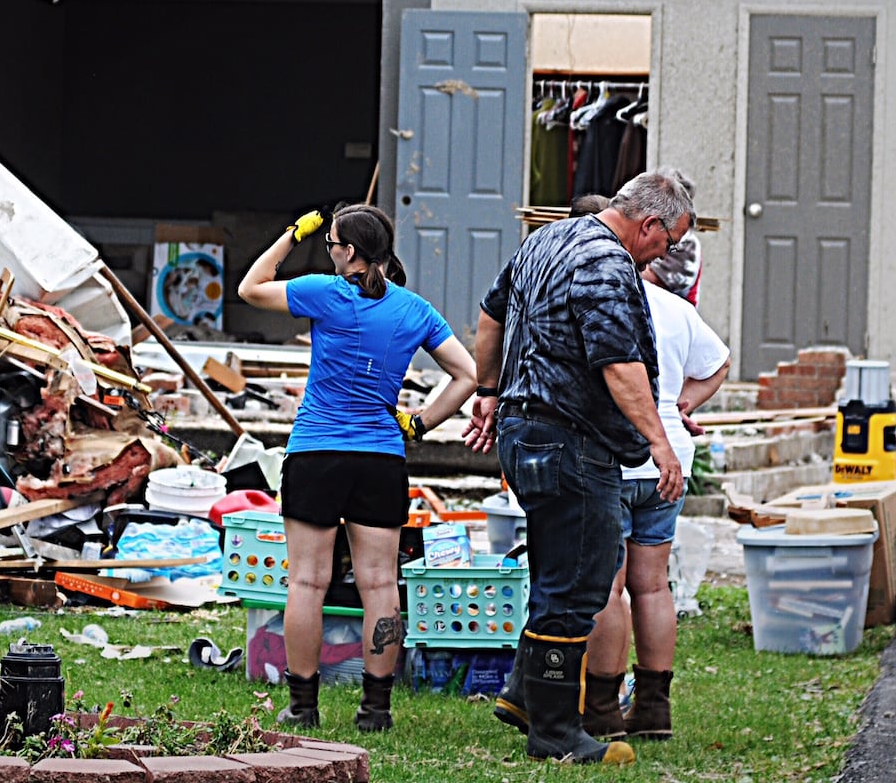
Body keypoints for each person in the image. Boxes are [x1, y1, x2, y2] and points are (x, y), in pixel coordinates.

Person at [466, 168, 692, 765]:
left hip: (525, 431)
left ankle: (524, 695)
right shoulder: (607, 262)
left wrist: (488, 390)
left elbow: (490, 317)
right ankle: (558, 731)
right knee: (584, 580)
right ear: (648, 225)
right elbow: (619, 364)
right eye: (667, 244)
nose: (662, 258)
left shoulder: (546, 239)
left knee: (556, 568)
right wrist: (660, 444)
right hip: (571, 438)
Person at [237, 203, 477, 732]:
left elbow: (251, 288)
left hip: (316, 453)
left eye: (331, 245)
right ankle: (376, 709)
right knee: (379, 585)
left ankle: (302, 707)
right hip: (379, 458)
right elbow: (467, 375)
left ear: (348, 252)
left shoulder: (325, 292)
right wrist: (420, 423)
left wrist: (292, 233)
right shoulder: (415, 310)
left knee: (306, 582)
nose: (328, 253)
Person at [582, 224, 729, 741]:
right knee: (653, 584)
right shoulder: (675, 307)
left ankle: (601, 706)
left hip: (619, 457)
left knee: (610, 586)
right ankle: (653, 709)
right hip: (671, 462)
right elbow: (720, 361)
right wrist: (683, 403)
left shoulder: (600, 303)